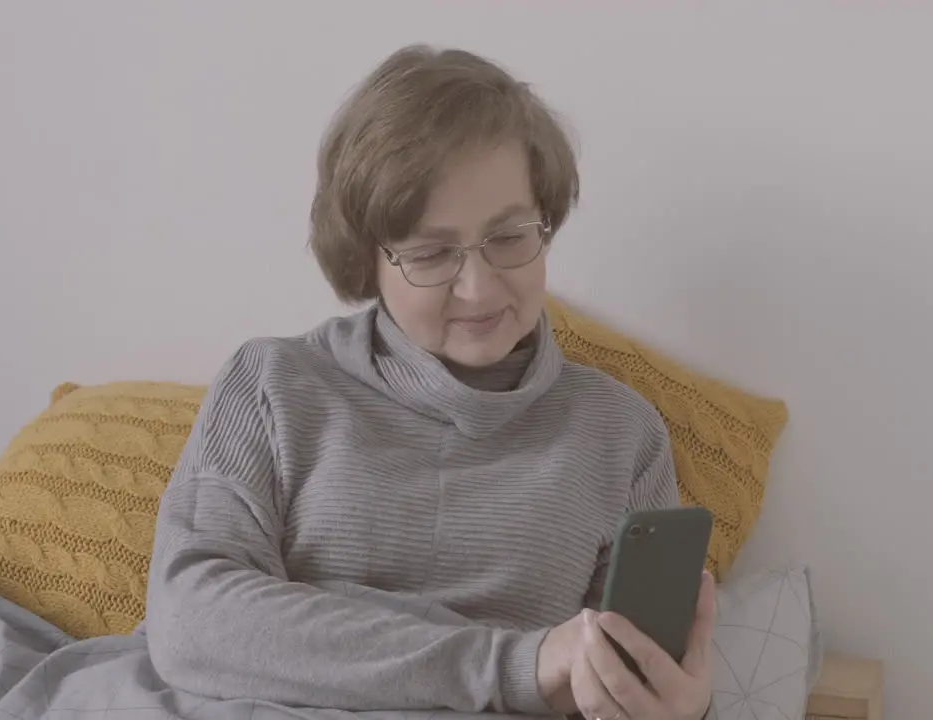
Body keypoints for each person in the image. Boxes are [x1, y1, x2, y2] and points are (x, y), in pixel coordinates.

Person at [144, 44, 715, 720]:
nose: (477, 288)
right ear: (368, 259)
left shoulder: (622, 435)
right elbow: (193, 621)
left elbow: (616, 680)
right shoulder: (272, 385)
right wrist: (515, 665)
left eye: (509, 237)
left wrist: (679, 707)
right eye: (431, 253)